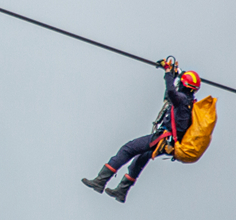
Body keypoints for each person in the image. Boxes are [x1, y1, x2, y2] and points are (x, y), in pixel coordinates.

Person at [81, 57, 202, 202]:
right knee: (140, 159)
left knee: (128, 149)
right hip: (169, 144)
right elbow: (171, 97)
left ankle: (100, 181)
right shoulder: (189, 102)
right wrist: (175, 73)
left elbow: (171, 92)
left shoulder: (181, 99)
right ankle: (122, 191)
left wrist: (168, 72)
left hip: (164, 139)